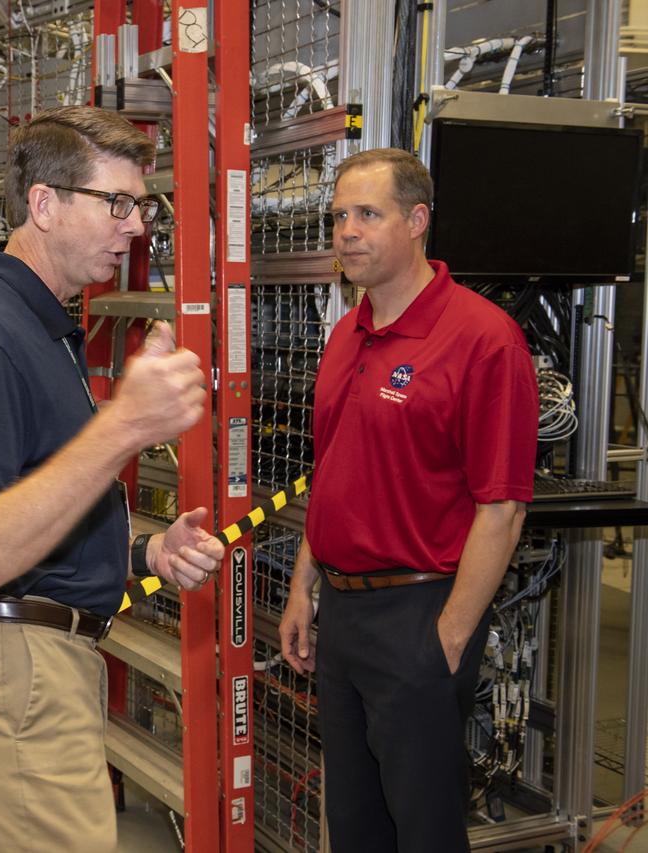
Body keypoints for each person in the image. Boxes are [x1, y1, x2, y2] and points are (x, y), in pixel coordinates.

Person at [0, 106, 228, 853]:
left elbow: (34, 505)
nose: (136, 226)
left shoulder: (39, 328)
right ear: (44, 204)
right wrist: (125, 426)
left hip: (34, 668)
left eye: (140, 206)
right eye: (116, 203)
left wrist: (142, 554)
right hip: (13, 671)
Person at [278, 147, 539, 852]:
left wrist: (447, 638)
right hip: (344, 614)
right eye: (339, 216)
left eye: (368, 214)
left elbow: (503, 508)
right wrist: (304, 586)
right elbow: (331, 468)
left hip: (420, 612)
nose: (347, 232)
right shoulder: (346, 335)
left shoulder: (483, 339)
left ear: (418, 221)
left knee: (423, 829)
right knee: (357, 826)